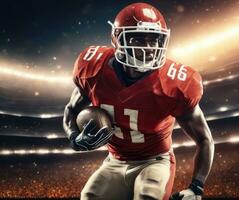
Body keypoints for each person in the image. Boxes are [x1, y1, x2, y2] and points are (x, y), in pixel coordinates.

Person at [63, 2, 214, 200]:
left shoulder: (176, 84)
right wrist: (74, 136)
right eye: (137, 39)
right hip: (114, 161)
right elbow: (70, 110)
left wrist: (196, 188)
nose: (148, 48)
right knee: (89, 196)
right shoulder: (94, 70)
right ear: (116, 39)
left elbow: (205, 139)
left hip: (155, 161)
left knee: (147, 196)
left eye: (154, 40)